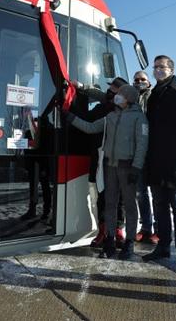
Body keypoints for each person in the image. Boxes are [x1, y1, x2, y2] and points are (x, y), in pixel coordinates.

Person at [65, 84, 148, 260]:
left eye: (121, 95)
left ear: (129, 98)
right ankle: (109, 241)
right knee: (110, 205)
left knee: (130, 206)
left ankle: (129, 243)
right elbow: (90, 127)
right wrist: (70, 117)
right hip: (110, 166)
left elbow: (142, 145)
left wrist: (137, 167)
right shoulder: (109, 117)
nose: (117, 97)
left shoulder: (139, 118)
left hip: (128, 167)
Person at [142, 55, 176, 273]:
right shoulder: (152, 95)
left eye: (162, 67)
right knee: (159, 205)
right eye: (155, 67)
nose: (157, 70)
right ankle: (163, 246)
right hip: (155, 158)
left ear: (171, 69)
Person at [72, 77, 128, 247]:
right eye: (110, 87)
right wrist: (70, 113)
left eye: (114, 87)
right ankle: (103, 230)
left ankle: (118, 230)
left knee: (120, 199)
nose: (110, 89)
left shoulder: (127, 109)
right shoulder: (102, 106)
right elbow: (88, 121)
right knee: (101, 197)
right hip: (99, 158)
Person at [132, 70, 158, 244]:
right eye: (137, 79)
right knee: (140, 193)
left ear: (148, 82)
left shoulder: (155, 95)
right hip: (138, 151)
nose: (140, 81)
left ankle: (160, 228)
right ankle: (146, 227)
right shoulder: (130, 97)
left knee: (157, 193)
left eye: (143, 79)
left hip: (154, 151)